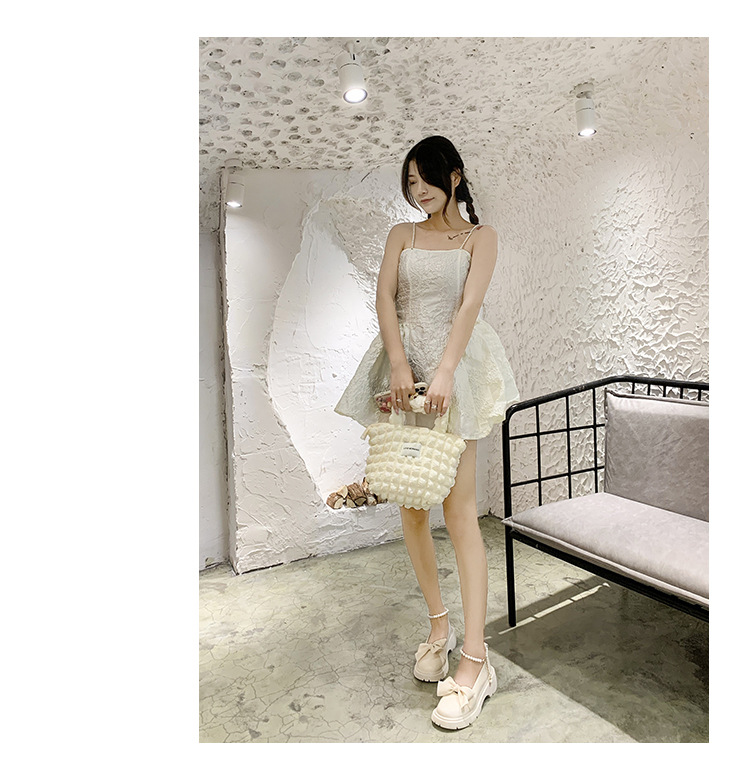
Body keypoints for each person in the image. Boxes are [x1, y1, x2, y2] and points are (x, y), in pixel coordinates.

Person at [334, 135, 520, 729]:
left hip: (455, 371)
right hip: (402, 372)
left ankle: (475, 660)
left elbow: (468, 308)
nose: (418, 193)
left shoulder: (481, 237)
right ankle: (439, 627)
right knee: (410, 501)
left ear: (455, 176)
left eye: (426, 180)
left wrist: (444, 371)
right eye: (410, 184)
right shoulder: (402, 234)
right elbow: (386, 299)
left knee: (459, 511)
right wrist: (398, 364)